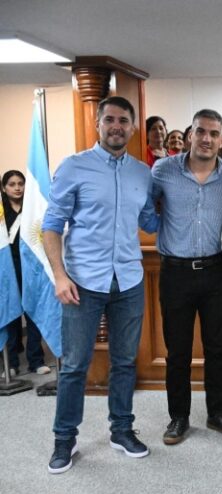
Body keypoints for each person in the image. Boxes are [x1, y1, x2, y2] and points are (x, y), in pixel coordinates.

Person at [42, 96, 158, 473]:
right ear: (98, 123)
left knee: (125, 361)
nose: (116, 126)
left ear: (133, 127)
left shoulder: (142, 173)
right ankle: (64, 440)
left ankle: (121, 430)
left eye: (124, 121)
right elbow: (51, 226)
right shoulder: (74, 167)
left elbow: (151, 221)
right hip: (82, 282)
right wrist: (60, 276)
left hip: (128, 280)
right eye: (109, 119)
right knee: (75, 365)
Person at [152, 109, 222, 446]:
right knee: (177, 351)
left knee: (216, 349)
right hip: (175, 273)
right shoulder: (163, 170)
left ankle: (216, 412)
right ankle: (178, 417)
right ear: (190, 133)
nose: (206, 139)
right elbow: (148, 212)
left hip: (216, 273)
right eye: (201, 131)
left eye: (214, 133)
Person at [1, 170, 49, 376]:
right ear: (4, 188)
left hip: (31, 269)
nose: (17, 187)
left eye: (20, 183)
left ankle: (36, 361)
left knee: (33, 314)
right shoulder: (2, 212)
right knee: (11, 316)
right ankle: (11, 363)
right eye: (12, 184)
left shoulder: (32, 209)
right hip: (7, 270)